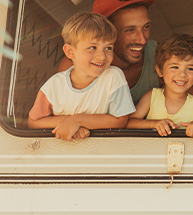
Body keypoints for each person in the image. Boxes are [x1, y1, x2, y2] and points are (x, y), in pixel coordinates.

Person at [58, 0, 175, 104]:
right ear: (105, 32)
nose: (142, 40)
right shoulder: (75, 65)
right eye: (130, 30)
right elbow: (59, 116)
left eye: (146, 27)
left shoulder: (161, 56)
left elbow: (192, 106)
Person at [29, 12, 134, 140]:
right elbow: (33, 122)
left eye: (108, 48)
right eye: (92, 47)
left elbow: (120, 121)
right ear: (70, 52)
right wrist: (70, 123)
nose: (102, 56)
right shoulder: (54, 85)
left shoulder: (113, 76)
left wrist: (77, 121)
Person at [129, 33, 193, 138]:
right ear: (159, 71)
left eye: (190, 69)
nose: (182, 74)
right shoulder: (152, 97)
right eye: (175, 67)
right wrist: (154, 124)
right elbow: (128, 123)